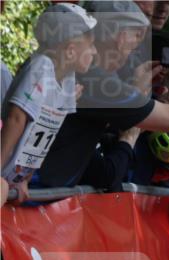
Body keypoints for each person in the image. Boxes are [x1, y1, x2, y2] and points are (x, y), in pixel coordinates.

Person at [36, 0, 169, 190]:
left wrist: (135, 94)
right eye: (134, 45)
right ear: (121, 39)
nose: (131, 55)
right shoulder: (92, 80)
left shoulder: (70, 69)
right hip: (33, 198)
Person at [1, 3, 97, 201]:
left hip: (13, 177)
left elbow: (47, 133)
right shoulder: (41, 67)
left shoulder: (68, 79)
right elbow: (16, 118)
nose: (95, 52)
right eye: (91, 45)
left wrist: (24, 179)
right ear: (70, 51)